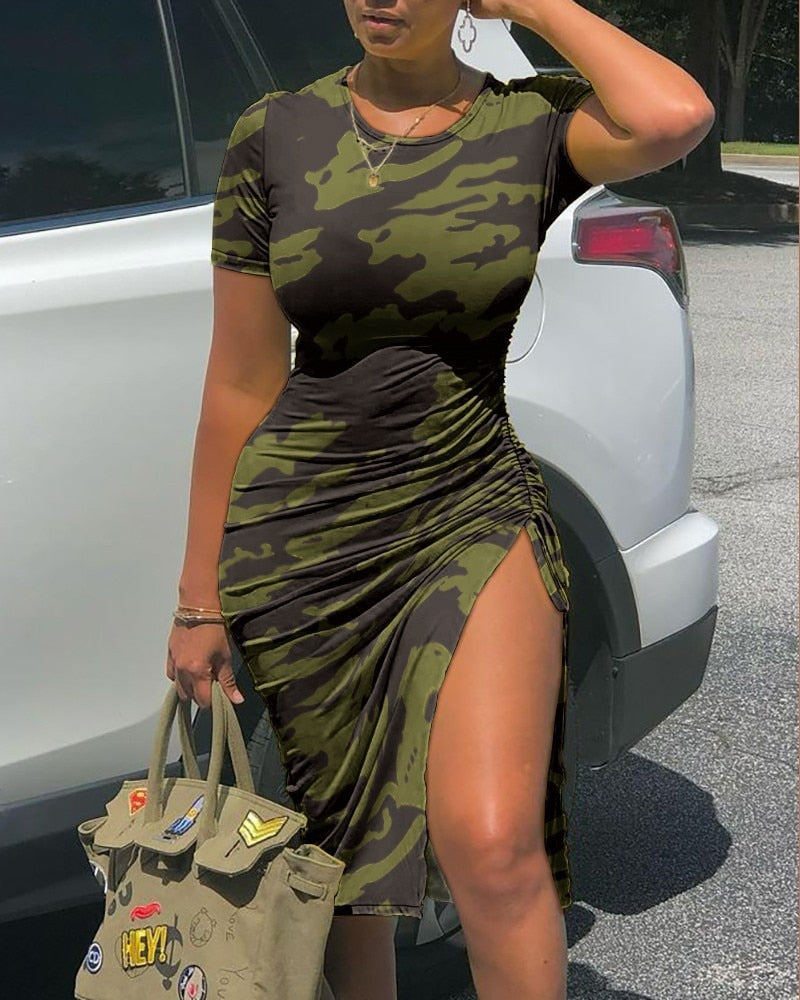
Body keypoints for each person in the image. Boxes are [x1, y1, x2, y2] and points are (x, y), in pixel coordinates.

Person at [167, 1, 714, 997]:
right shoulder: (275, 133)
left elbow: (671, 115)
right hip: (306, 534)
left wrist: (534, 4)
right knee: (343, 861)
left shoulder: (530, 126)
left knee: (493, 847)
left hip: (469, 508)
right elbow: (240, 378)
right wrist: (199, 596)